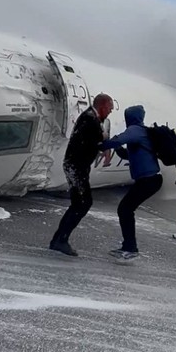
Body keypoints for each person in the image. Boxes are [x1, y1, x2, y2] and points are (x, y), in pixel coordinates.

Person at [48, 93, 113, 256]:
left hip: (77, 166)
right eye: (110, 109)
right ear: (103, 106)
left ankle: (59, 239)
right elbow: (97, 139)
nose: (110, 112)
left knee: (81, 203)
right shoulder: (90, 119)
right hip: (75, 166)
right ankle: (60, 240)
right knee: (82, 203)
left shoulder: (92, 118)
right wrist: (107, 144)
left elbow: (96, 139)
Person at [100, 105, 163, 261]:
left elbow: (118, 140)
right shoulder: (143, 132)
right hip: (151, 180)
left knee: (125, 209)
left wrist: (101, 145)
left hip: (149, 180)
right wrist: (119, 149)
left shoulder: (135, 130)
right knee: (126, 209)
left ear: (130, 117)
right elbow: (131, 156)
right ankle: (129, 245)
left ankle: (130, 248)